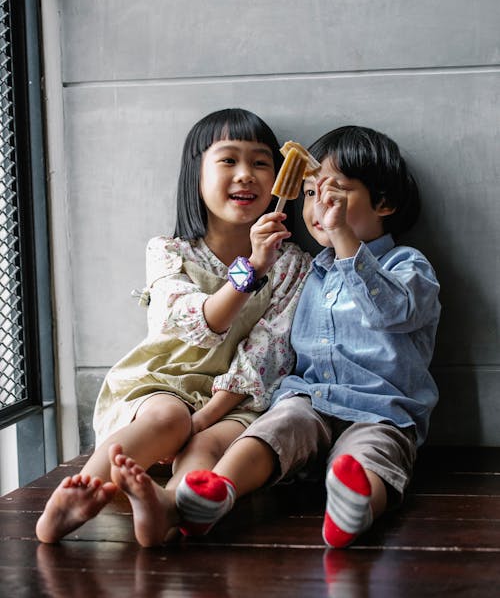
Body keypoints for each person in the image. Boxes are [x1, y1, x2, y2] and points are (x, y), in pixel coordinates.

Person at [108, 124, 440, 549]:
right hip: (309, 400)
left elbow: (393, 312)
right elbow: (275, 341)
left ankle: (355, 507)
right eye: (311, 192)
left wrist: (345, 240)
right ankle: (208, 497)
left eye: (335, 192)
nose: (320, 206)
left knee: (372, 455)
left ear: (384, 202)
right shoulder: (310, 271)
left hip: (380, 409)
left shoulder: (407, 265)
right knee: (270, 432)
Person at [36, 108, 310, 545]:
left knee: (209, 448)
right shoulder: (169, 251)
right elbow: (197, 321)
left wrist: (203, 419)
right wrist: (253, 267)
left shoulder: (294, 265)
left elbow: (268, 351)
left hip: (236, 400)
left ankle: (168, 508)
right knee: (168, 418)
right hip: (163, 382)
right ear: (195, 175)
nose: (246, 175)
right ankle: (81, 495)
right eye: (228, 160)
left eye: (261, 163)